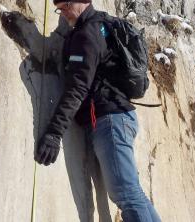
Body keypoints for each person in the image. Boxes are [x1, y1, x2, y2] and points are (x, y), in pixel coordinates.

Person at [33, 1, 162, 221]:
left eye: (65, 4)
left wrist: (54, 133)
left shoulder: (87, 35)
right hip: (118, 117)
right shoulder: (101, 24)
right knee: (132, 193)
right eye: (57, 6)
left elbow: (78, 88)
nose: (61, 10)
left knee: (127, 194)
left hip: (109, 120)